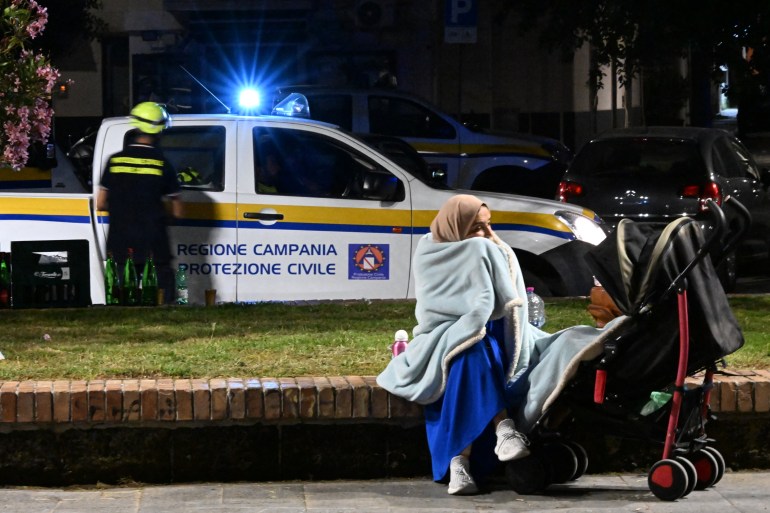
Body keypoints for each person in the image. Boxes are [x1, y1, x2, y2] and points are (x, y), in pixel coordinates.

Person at [377, 194, 619, 495]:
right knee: (471, 350)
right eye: (476, 227)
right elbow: (438, 308)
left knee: (474, 349)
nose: (484, 235)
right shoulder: (429, 252)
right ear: (455, 225)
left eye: (487, 226)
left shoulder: (489, 249)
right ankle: (503, 428)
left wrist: (494, 247)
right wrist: (470, 317)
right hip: (442, 333)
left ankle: (459, 464)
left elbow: (505, 305)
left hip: (490, 336)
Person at [96, 102, 182, 304]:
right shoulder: (163, 163)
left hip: (120, 241)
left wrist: (123, 207)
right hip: (154, 241)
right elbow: (178, 211)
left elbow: (100, 203)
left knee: (123, 297)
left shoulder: (115, 161)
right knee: (162, 296)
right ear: (160, 131)